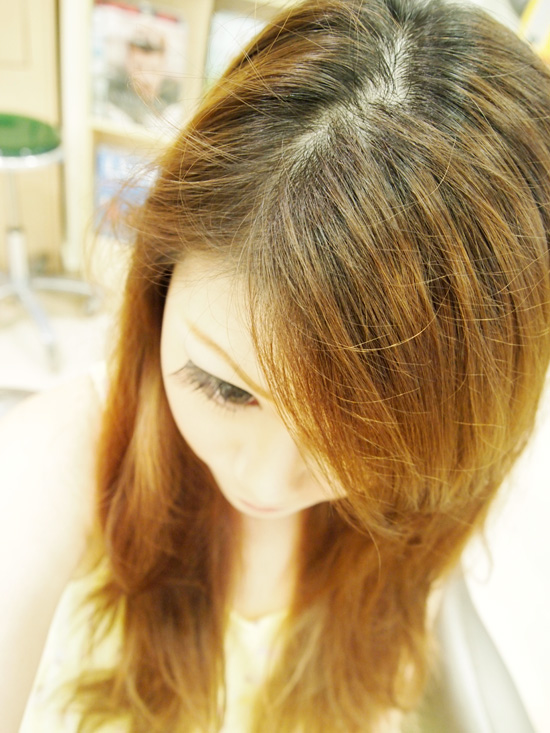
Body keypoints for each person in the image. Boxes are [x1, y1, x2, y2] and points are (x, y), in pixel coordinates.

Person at [2, 0, 550, 731]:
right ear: (159, 281)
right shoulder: (74, 453)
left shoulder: (435, 491)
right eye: (225, 388)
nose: (263, 483)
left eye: (362, 435)